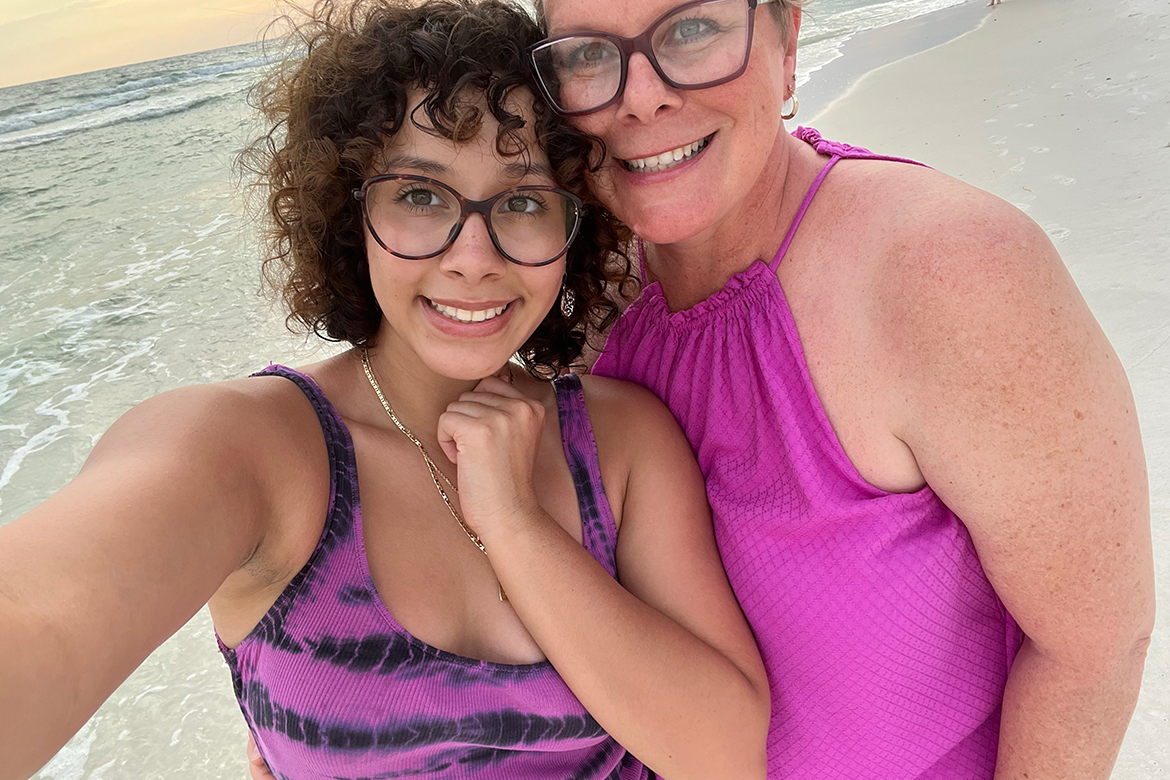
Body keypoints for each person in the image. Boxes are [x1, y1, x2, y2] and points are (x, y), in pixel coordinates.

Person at [0, 2, 771, 779]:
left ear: (576, 228)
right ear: (349, 213)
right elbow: (42, 619)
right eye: (421, 196)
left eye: (524, 201)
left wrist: (513, 523)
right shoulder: (255, 449)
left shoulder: (622, 440)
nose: (474, 258)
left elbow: (726, 756)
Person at [521, 0, 1155, 778]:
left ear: (787, 40)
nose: (641, 95)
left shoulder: (946, 271)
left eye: (692, 30)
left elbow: (1091, 648)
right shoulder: (563, 296)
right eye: (588, 54)